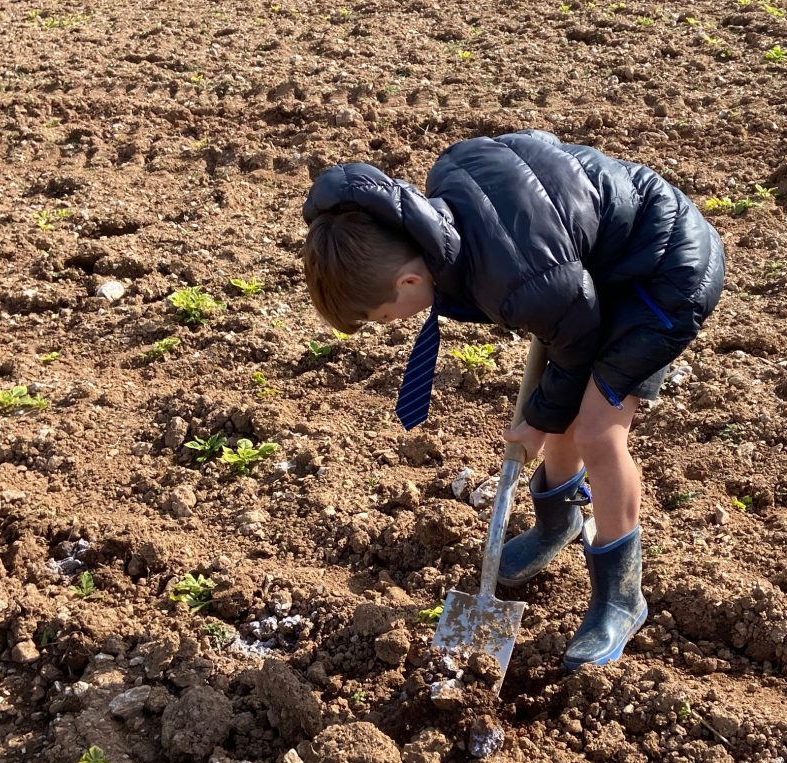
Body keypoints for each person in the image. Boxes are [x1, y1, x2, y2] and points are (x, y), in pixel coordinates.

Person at [301, 129, 724, 670]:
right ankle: (558, 524)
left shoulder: (521, 282)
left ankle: (621, 597)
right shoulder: (447, 214)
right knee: (565, 407)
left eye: (384, 317)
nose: (391, 325)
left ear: (409, 280)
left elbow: (574, 344)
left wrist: (536, 422)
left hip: (663, 274)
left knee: (596, 430)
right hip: (582, 274)